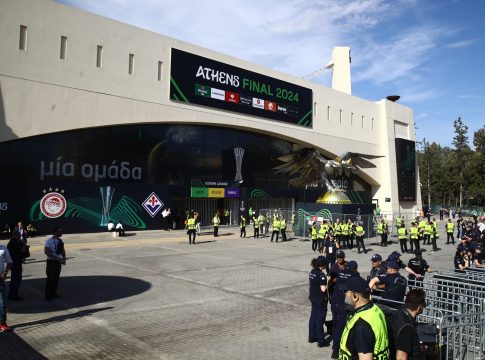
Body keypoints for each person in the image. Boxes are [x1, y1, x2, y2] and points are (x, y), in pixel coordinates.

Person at [338, 276, 390, 360]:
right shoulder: (376, 309)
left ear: (355, 296)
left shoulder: (362, 325)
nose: (343, 294)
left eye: (345, 291)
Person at [388, 288, 426, 360]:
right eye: (424, 305)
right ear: (419, 307)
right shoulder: (406, 327)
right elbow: (401, 357)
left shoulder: (399, 312)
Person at [308, 256, 329, 348]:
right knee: (319, 319)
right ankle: (321, 341)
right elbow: (323, 289)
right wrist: (329, 282)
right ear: (323, 265)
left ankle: (311, 337)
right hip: (320, 299)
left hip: (313, 297)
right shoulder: (321, 275)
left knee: (313, 317)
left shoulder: (312, 272)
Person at [44, 227, 66, 301]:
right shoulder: (49, 241)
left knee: (56, 278)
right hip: (51, 262)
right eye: (60, 231)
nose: (61, 232)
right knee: (50, 278)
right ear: (56, 232)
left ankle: (54, 292)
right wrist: (57, 258)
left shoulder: (60, 240)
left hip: (58, 262)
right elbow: (47, 252)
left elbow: (62, 250)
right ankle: (48, 295)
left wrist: (64, 258)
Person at [7, 231, 29, 300]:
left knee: (14, 279)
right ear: (16, 235)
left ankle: (12, 294)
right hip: (16, 263)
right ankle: (14, 295)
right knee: (17, 279)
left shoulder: (11, 242)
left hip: (13, 263)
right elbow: (22, 250)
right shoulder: (15, 243)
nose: (20, 237)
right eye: (19, 235)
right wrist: (24, 244)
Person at [0, 241, 12, 331]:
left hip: (0, 279)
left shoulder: (3, 248)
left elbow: (9, 262)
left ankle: (2, 323)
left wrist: (5, 273)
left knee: (2, 303)